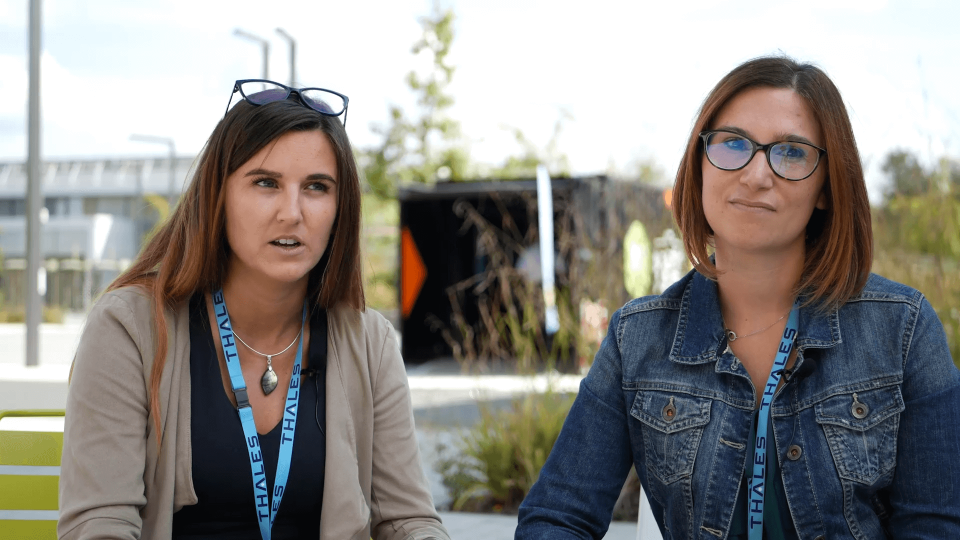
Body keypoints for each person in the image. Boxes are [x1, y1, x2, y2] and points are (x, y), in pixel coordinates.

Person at [516, 56, 960, 539]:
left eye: (791, 152)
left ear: (827, 189)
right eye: (732, 144)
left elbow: (935, 526)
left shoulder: (903, 329)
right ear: (700, 166)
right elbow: (557, 516)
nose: (755, 174)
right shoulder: (636, 337)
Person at [58, 79, 450, 540]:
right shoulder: (130, 328)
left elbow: (409, 521)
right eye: (266, 182)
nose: (292, 212)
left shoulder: (369, 341)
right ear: (218, 197)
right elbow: (100, 524)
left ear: (340, 209)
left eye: (317, 187)